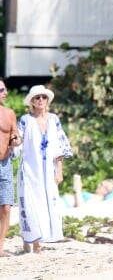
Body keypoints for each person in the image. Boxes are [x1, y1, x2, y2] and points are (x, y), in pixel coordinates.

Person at [17, 85, 73, 253]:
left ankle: (40, 239)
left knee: (47, 202)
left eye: (43, 97)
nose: (40, 100)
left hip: (49, 170)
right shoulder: (26, 120)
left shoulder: (54, 119)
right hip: (29, 169)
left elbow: (59, 147)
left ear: (47, 100)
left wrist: (59, 171)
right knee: (30, 203)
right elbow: (17, 142)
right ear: (32, 102)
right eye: (37, 97)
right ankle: (32, 241)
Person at [0, 78, 22, 257]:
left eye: (4, 89)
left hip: (5, 163)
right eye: (1, 90)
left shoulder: (9, 113)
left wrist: (16, 140)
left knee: (6, 207)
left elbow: (15, 134)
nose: (5, 93)